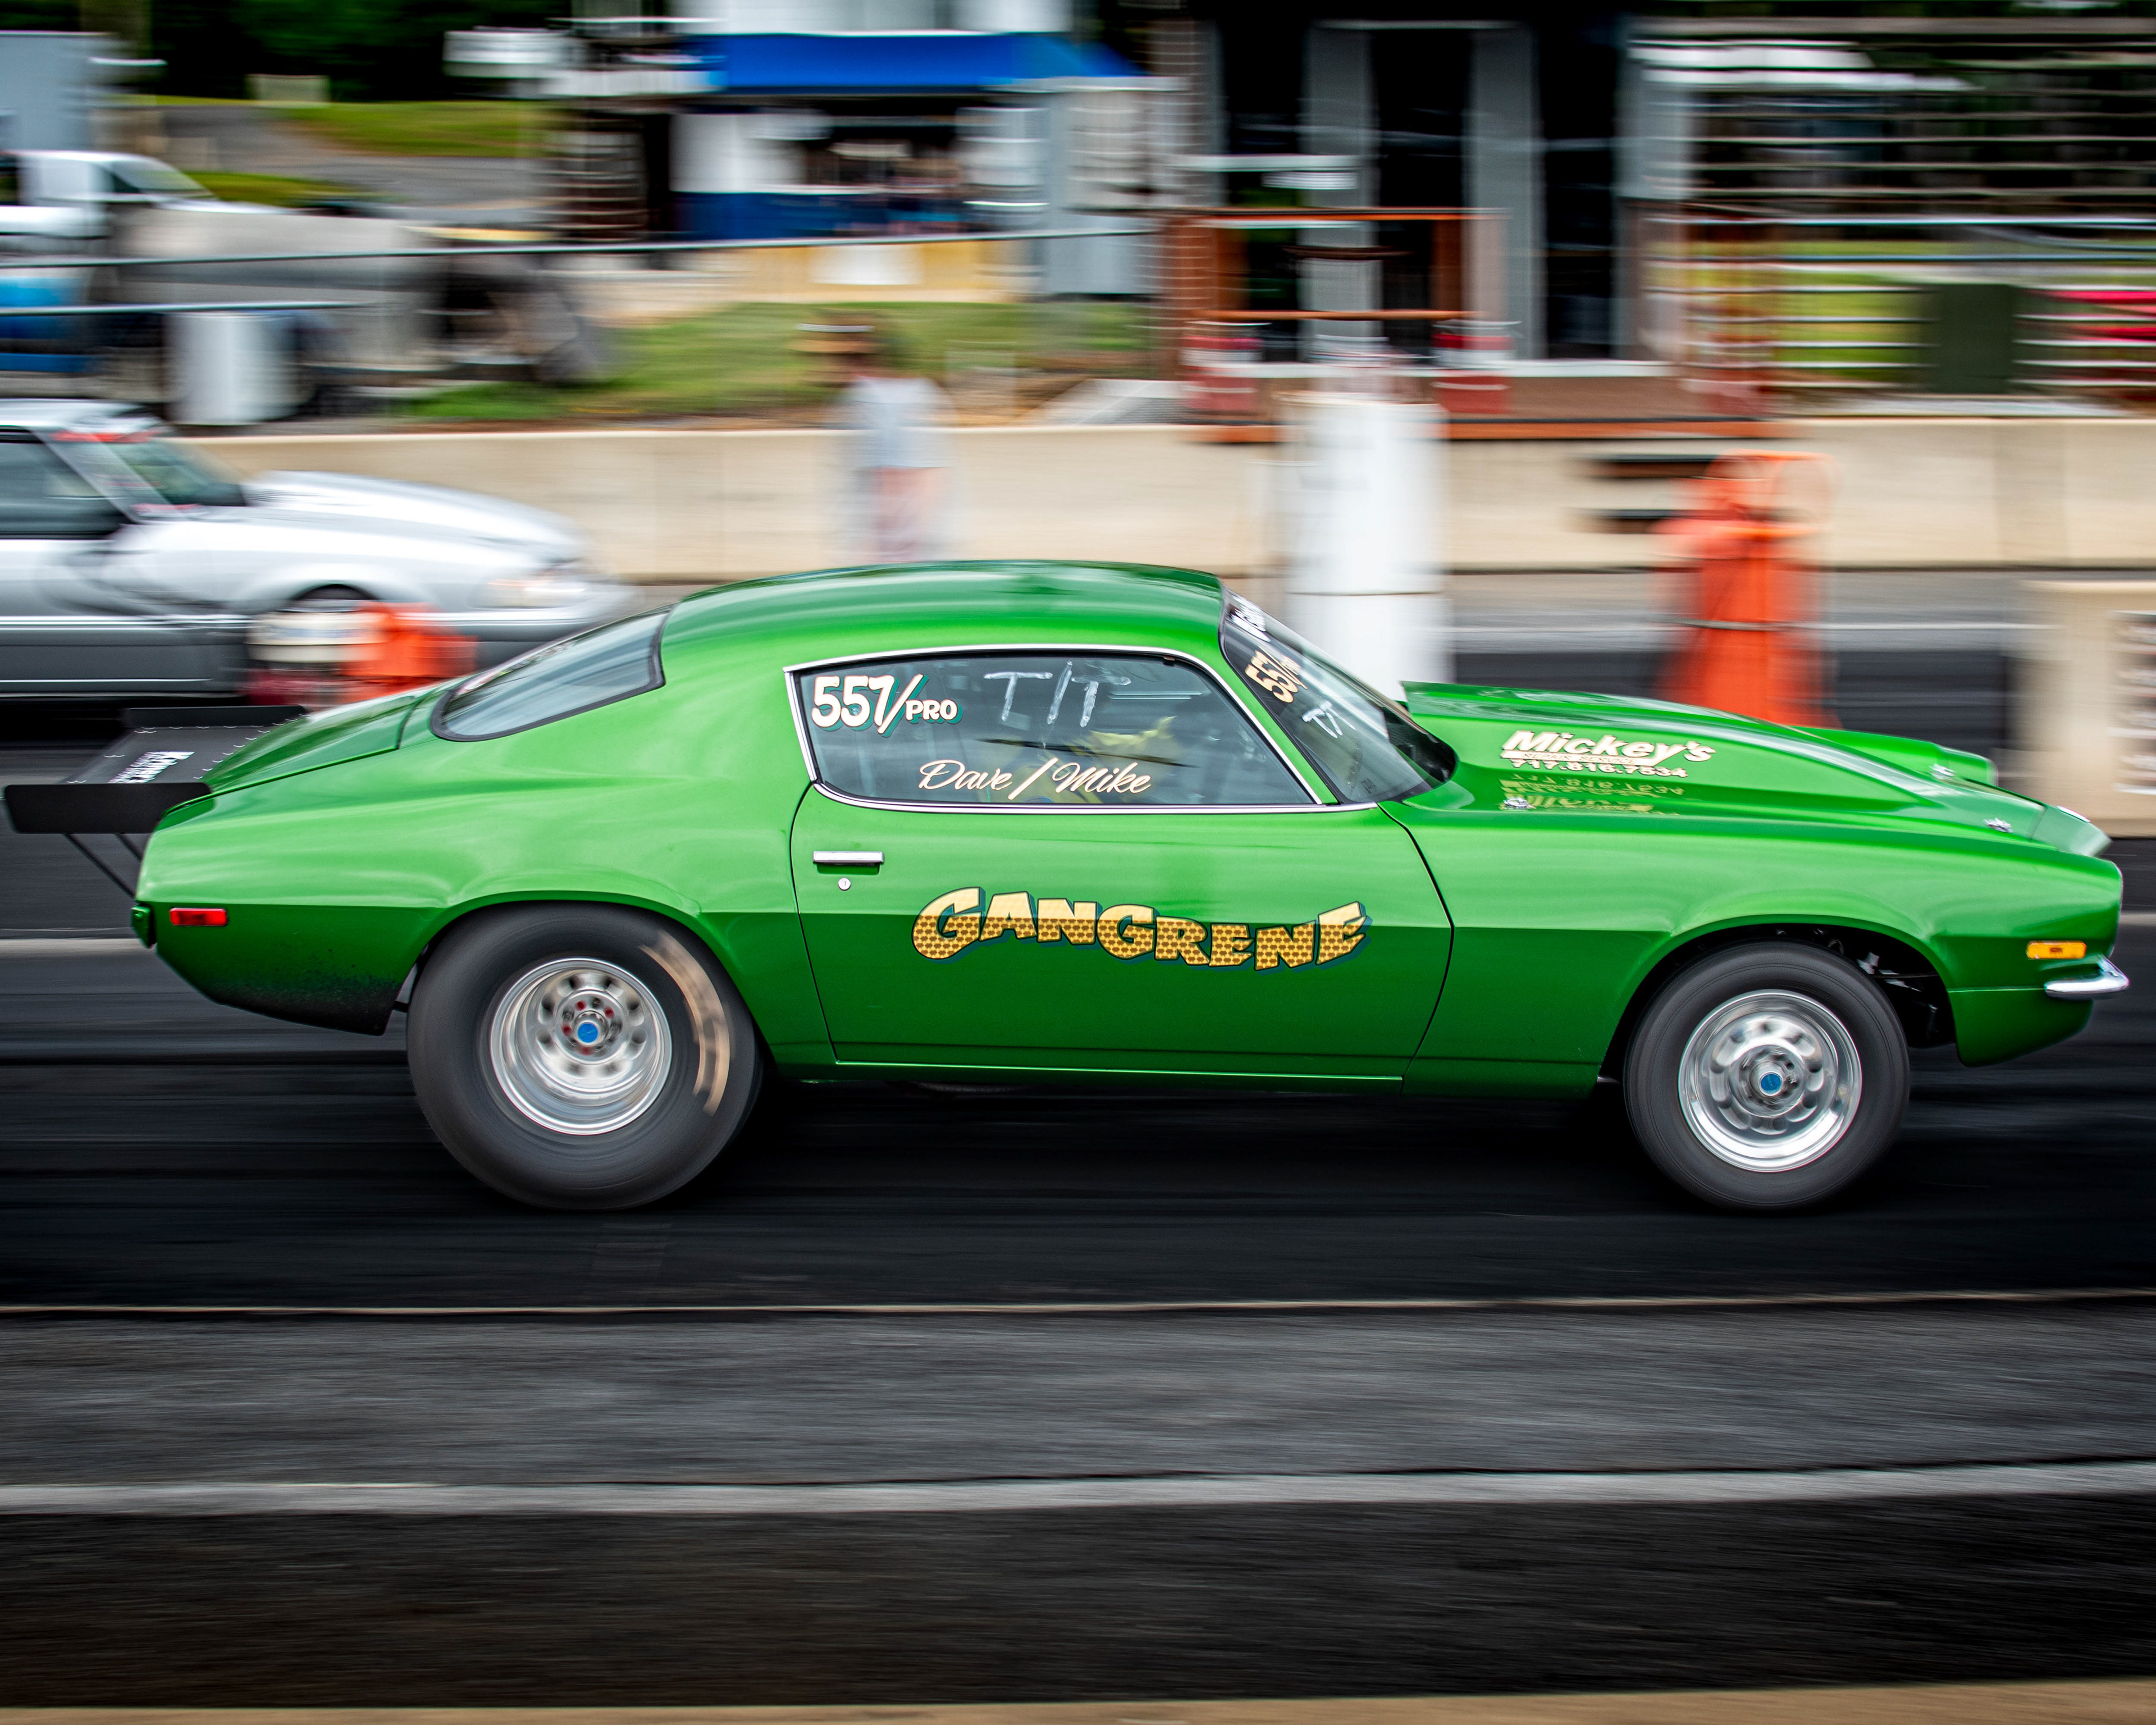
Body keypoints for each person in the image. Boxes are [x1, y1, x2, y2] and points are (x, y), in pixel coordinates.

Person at [835, 326, 954, 564]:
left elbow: (890, 470)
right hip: (906, 499)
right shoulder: (919, 391)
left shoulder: (871, 396)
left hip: (897, 499)